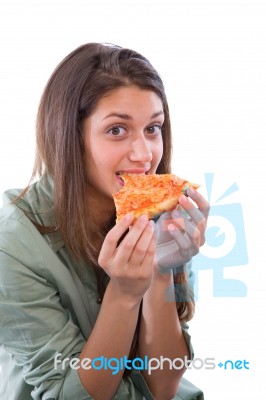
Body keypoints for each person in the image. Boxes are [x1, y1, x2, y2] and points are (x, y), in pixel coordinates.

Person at [0, 43, 209, 400]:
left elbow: (163, 386)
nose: (144, 155)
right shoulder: (12, 244)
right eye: (117, 130)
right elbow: (73, 394)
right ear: (68, 136)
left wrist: (160, 270)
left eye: (153, 128)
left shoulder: (164, 215)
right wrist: (125, 293)